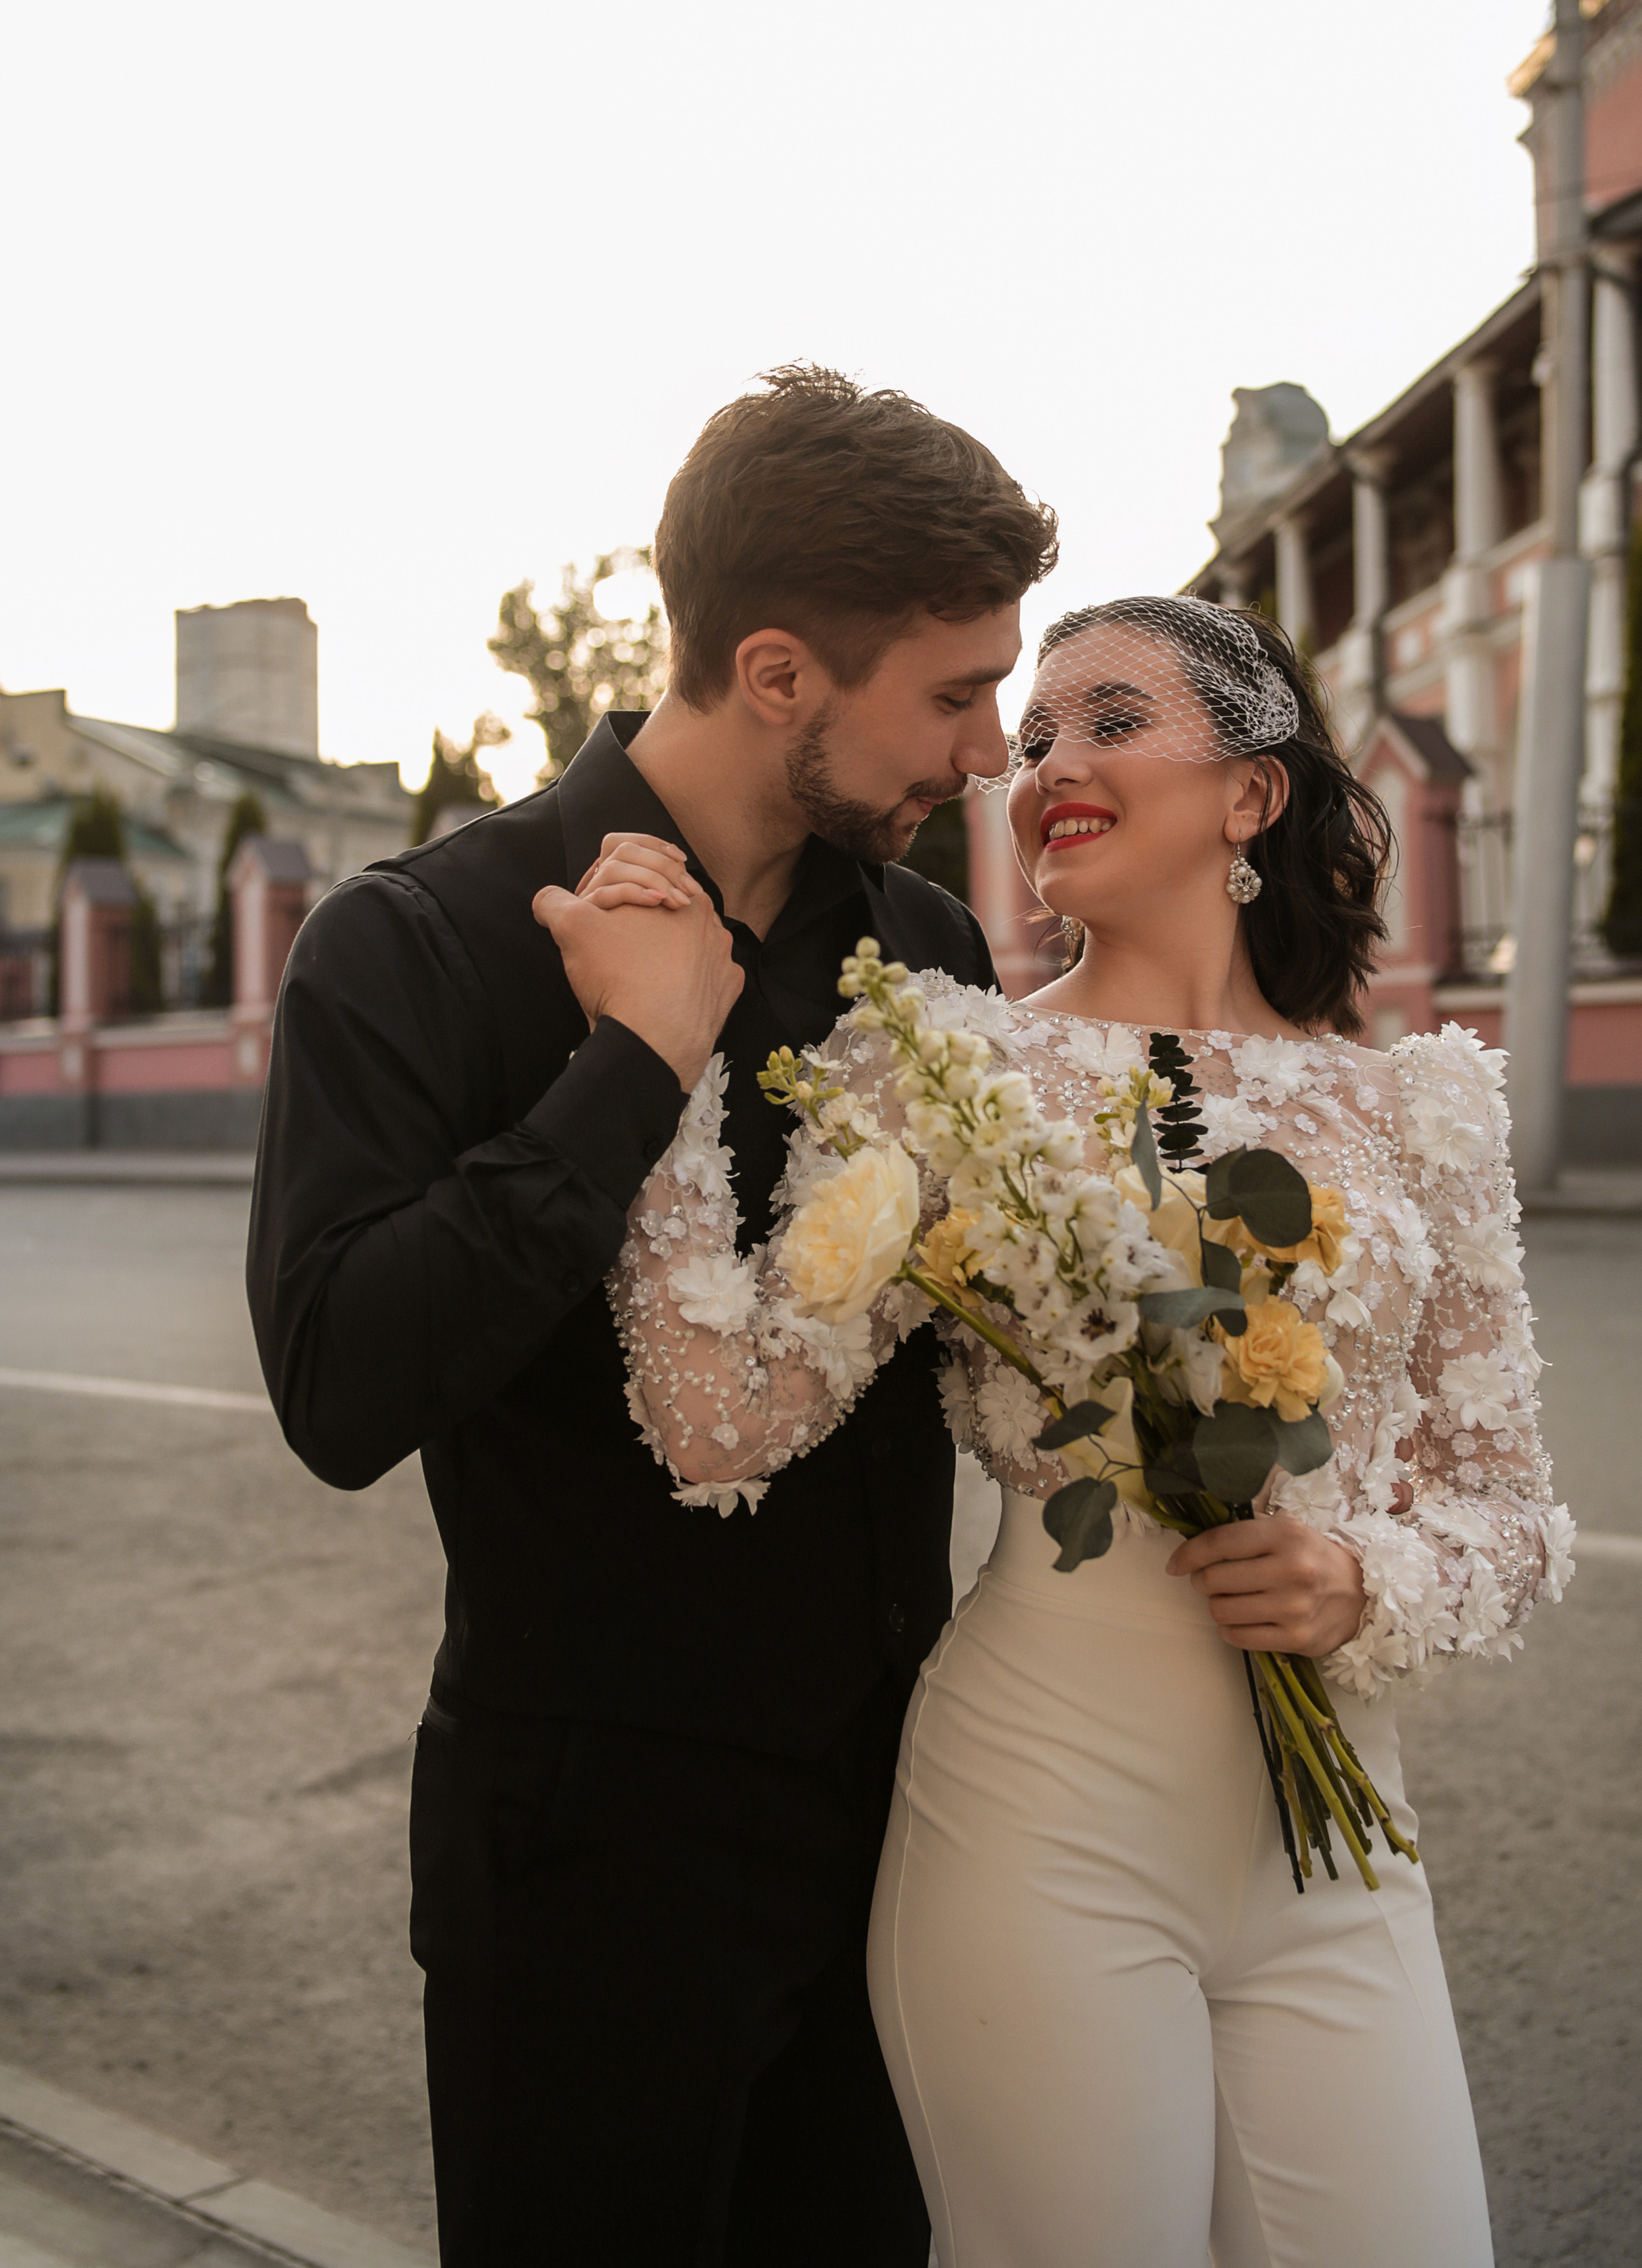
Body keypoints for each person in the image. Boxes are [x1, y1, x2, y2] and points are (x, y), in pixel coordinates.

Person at [597, 593, 1575, 2268]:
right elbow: (719, 1421)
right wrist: (656, 1067)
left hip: (1336, 1859)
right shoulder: (945, 1069)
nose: (1049, 762)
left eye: (1111, 720)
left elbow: (1511, 1515)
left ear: (1251, 792)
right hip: (1036, 1829)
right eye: (1034, 735)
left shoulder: (1420, 1108)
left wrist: (1357, 1575)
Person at [246, 362, 1058, 2266]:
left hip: (898, 1827)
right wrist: (632, 1057)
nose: (994, 746)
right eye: (954, 691)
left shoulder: (922, 947)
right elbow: (338, 1381)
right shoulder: (418, 941)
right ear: (778, 672)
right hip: (591, 1859)